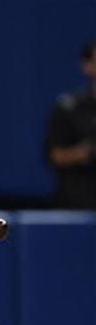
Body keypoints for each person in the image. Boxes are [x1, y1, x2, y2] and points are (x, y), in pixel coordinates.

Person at [44, 41, 96, 209]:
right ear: (87, 66)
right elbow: (54, 155)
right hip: (77, 206)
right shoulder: (69, 107)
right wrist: (86, 152)